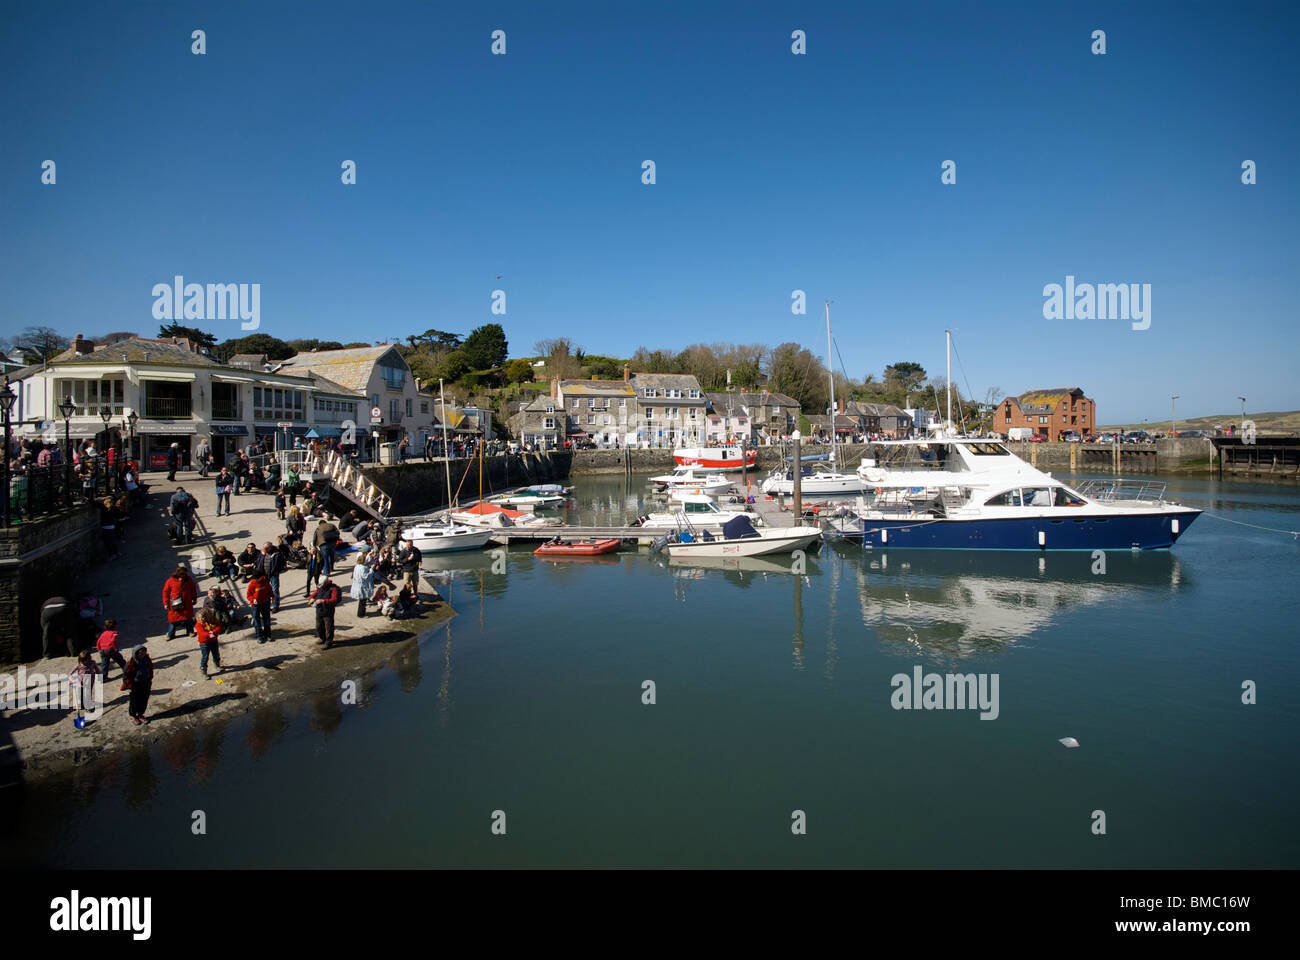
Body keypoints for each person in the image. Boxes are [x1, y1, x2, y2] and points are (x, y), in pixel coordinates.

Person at [162, 564, 198, 640]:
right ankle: (170, 634)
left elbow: (193, 589)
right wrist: (165, 603)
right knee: (173, 621)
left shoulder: (188, 580)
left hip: (186, 603)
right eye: (182, 574)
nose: (184, 576)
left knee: (188, 619)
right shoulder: (170, 581)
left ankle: (190, 631)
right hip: (175, 604)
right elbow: (165, 592)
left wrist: (194, 598)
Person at [123, 646, 153, 725]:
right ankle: (133, 715)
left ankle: (140, 714)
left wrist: (150, 678)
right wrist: (129, 686)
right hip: (135, 685)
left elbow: (150, 668)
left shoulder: (146, 659)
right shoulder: (131, 663)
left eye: (144, 652)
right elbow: (126, 676)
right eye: (141, 653)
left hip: (145, 682)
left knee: (144, 699)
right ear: (136, 654)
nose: (142, 654)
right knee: (134, 701)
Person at [308, 577, 342, 647]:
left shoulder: (333, 589)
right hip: (319, 610)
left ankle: (329, 642)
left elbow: (334, 600)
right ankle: (322, 638)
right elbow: (313, 595)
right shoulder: (320, 587)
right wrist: (311, 599)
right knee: (318, 626)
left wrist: (323, 601)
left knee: (328, 627)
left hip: (328, 611)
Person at [69, 651, 99, 722]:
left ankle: (88, 707)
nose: (85, 662)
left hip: (90, 681)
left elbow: (97, 669)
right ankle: (82, 705)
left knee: (88, 694)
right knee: (81, 694)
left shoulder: (92, 663)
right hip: (80, 682)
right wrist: (71, 681)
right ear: (80, 660)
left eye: (87, 660)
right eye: (83, 661)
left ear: (89, 658)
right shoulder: (78, 665)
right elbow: (70, 673)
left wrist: (100, 675)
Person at [95, 618, 128, 682]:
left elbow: (98, 641)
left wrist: (99, 649)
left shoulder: (103, 633)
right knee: (120, 660)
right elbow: (113, 641)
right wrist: (116, 649)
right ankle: (127, 671)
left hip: (102, 650)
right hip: (110, 649)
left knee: (104, 664)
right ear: (115, 626)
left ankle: (103, 678)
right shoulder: (115, 633)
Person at [246, 570, 273, 642]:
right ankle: (259, 636)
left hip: (265, 603)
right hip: (255, 605)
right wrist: (253, 599)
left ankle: (268, 634)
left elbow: (270, 590)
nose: (256, 580)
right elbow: (249, 595)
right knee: (257, 621)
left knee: (266, 620)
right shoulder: (252, 584)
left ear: (261, 577)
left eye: (257, 578)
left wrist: (272, 597)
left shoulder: (265, 581)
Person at [195, 608, 223, 678]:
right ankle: (203, 670)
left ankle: (217, 665)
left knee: (216, 653)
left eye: (203, 617)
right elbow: (201, 633)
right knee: (205, 656)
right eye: (200, 618)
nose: (201, 619)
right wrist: (209, 634)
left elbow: (219, 626)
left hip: (213, 641)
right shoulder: (198, 624)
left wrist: (214, 631)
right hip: (204, 643)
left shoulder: (213, 621)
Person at [258, 542, 284, 612]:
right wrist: (263, 555)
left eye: (266, 549)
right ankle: (267, 605)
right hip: (264, 574)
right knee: (265, 590)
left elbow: (282, 563)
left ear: (270, 548)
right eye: (263, 548)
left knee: (274, 590)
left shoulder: (277, 553)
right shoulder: (263, 553)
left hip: (273, 574)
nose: (264, 550)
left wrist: (276, 570)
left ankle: (275, 606)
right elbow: (259, 563)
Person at [350, 552, 375, 617]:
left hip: (357, 585)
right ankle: (361, 614)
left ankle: (361, 613)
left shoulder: (356, 566)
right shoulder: (363, 568)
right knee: (362, 601)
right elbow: (365, 576)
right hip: (362, 586)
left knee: (362, 601)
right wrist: (371, 570)